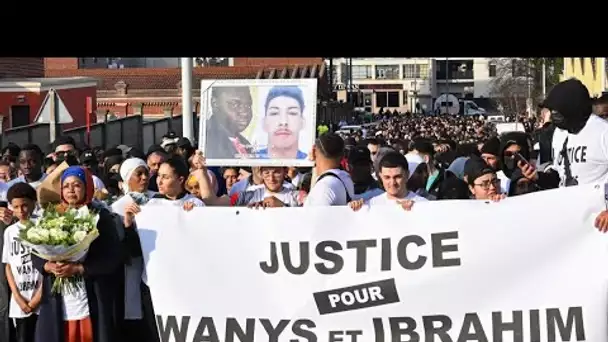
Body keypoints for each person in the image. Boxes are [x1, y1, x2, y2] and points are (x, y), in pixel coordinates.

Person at [32, 166, 124, 342]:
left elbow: (113, 257)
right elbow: (35, 252)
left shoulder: (100, 216)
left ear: (87, 187)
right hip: (57, 297)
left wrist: (80, 268)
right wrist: (47, 265)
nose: (71, 190)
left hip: (90, 294)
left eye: (76, 185)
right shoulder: (51, 215)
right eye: (66, 186)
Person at [2, 183, 42, 342]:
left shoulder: (42, 226)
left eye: (25, 205)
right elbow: (8, 265)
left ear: (34, 202)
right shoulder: (10, 231)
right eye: (16, 206)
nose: (21, 211)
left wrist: (37, 298)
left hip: (40, 300)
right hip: (20, 301)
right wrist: (17, 297)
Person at [257, 86, 308, 160]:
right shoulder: (249, 160)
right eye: (274, 113)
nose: (283, 122)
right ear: (264, 123)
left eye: (292, 113)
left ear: (302, 122)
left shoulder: (308, 160)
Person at [304, 133, 354, 206]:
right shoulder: (345, 177)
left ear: (314, 151)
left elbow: (312, 215)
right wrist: (315, 165)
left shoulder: (324, 188)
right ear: (342, 155)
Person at [205, 86, 254, 159]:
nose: (245, 113)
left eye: (248, 105)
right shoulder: (206, 137)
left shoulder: (245, 143)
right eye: (235, 104)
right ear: (215, 103)